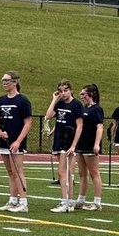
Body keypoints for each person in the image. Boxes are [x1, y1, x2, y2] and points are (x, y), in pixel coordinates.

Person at [0, 72, 33, 212]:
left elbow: (28, 123)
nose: (4, 83)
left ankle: (23, 202)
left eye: (7, 80)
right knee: (10, 172)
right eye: (3, 80)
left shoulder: (23, 101)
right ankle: (13, 200)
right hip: (4, 141)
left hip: (16, 142)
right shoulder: (0, 100)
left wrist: (18, 141)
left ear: (15, 82)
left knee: (18, 171)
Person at [45, 80, 84, 212]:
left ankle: (66, 201)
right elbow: (48, 116)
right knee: (65, 173)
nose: (63, 93)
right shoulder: (60, 103)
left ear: (71, 90)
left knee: (64, 172)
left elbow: (79, 126)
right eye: (61, 91)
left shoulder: (76, 104)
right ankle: (68, 201)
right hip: (59, 140)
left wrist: (73, 145)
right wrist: (54, 99)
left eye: (66, 90)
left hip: (69, 142)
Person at [76, 84, 105, 210]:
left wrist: (97, 144)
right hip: (80, 143)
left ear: (91, 94)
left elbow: (100, 127)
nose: (81, 96)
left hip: (90, 144)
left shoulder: (97, 109)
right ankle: (80, 200)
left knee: (94, 173)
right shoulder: (83, 108)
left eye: (83, 94)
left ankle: (97, 202)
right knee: (82, 173)